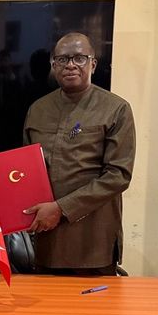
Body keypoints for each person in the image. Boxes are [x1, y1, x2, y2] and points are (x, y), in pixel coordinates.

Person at [23, 32, 136, 275]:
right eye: (62, 59)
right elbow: (26, 170)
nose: (71, 65)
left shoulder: (116, 109)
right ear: (54, 66)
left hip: (93, 242)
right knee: (42, 299)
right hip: (47, 240)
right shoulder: (38, 110)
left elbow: (118, 176)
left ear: (93, 64)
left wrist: (61, 208)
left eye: (79, 58)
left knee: (94, 301)